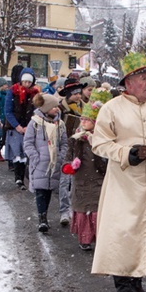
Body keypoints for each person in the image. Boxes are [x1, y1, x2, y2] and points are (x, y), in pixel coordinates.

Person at [90, 52, 146, 292]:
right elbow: (100, 143)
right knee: (123, 231)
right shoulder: (111, 108)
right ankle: (122, 288)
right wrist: (127, 153)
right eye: (142, 78)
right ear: (128, 83)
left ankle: (137, 282)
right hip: (124, 181)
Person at [62, 88, 111, 251]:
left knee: (97, 207)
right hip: (81, 179)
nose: (82, 122)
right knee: (83, 208)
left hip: (98, 178)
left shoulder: (101, 138)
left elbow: (106, 157)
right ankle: (85, 239)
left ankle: (99, 237)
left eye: (87, 119)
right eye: (82, 119)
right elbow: (68, 156)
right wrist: (68, 165)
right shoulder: (76, 138)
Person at [24, 93, 68, 233]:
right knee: (40, 190)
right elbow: (28, 142)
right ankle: (42, 218)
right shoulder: (35, 123)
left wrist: (60, 157)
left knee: (49, 189)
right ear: (46, 108)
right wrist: (35, 157)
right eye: (54, 106)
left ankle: (44, 215)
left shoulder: (60, 124)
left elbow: (64, 143)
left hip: (54, 163)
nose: (57, 109)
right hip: (40, 163)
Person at [4, 65, 39, 188]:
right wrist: (17, 126)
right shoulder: (12, 92)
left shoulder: (35, 94)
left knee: (26, 152)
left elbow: (36, 110)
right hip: (15, 127)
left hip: (29, 126)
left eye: (29, 82)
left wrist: (29, 126)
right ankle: (18, 178)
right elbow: (8, 111)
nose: (27, 84)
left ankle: (24, 177)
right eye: (25, 81)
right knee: (17, 153)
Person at [56, 74, 85, 226]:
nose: (78, 96)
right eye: (74, 94)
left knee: (77, 182)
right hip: (66, 147)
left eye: (79, 93)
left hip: (80, 148)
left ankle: (76, 210)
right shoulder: (60, 109)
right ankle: (64, 211)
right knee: (64, 180)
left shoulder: (85, 108)